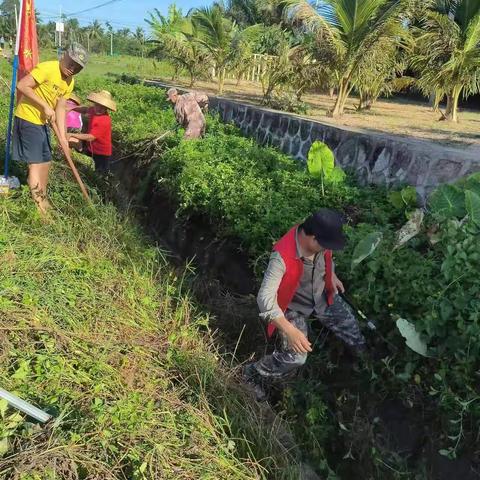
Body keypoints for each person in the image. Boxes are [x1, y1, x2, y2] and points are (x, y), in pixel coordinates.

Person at [244, 209, 367, 401]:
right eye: (325, 244)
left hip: (321, 296)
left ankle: (362, 365)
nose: (327, 248)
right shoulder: (281, 257)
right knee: (296, 357)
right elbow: (264, 298)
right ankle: (251, 374)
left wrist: (331, 274)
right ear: (313, 239)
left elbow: (328, 255)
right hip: (293, 307)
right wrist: (289, 330)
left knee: (353, 328)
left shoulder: (321, 240)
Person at [13, 43, 88, 214]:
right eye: (71, 63)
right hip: (27, 117)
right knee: (36, 163)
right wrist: (45, 106)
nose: (72, 69)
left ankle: (43, 197)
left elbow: (60, 108)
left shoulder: (70, 82)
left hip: (43, 122)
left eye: (78, 67)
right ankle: (40, 208)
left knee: (46, 160)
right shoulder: (48, 68)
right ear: (64, 56)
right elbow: (22, 86)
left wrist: (62, 137)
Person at [68, 90, 116, 174]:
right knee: (71, 141)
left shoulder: (104, 120)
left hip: (101, 153)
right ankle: (69, 161)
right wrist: (71, 108)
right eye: (97, 105)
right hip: (90, 147)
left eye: (103, 107)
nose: (99, 108)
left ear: (106, 108)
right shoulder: (93, 110)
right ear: (95, 104)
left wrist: (71, 134)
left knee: (99, 176)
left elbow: (90, 137)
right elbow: (85, 110)